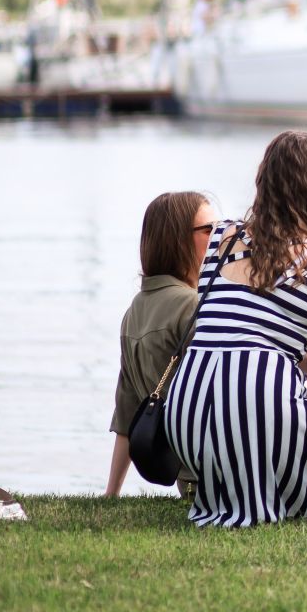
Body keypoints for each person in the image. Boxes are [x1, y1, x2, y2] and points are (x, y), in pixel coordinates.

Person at [162, 131, 307, 527]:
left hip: (187, 416)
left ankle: (231, 487)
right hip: (258, 417)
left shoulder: (221, 239)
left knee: (252, 399)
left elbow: (247, 330)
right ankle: (273, 492)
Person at [105, 191, 215, 497]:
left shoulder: (133, 312)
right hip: (221, 474)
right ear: (178, 240)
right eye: (209, 230)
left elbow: (128, 414)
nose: (220, 238)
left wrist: (111, 492)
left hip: (188, 482)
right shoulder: (194, 305)